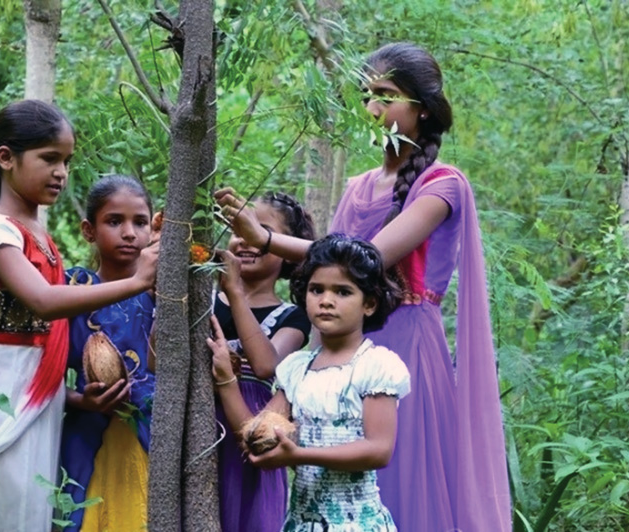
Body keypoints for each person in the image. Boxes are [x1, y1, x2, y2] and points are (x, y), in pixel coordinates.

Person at [214, 42, 511, 531]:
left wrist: (263, 236)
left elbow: (365, 262)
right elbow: (332, 269)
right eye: (367, 95)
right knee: (329, 476)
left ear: (423, 107)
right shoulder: (357, 186)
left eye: (387, 95)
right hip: (340, 345)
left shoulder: (443, 184)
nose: (373, 109)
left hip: (408, 344)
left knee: (397, 477)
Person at [0, 100, 158, 532]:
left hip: (38, 404)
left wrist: (77, 399)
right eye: (49, 158)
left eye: (66, 160)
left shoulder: (41, 236)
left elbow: (47, 342)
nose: (61, 171)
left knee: (32, 514)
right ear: (6, 158)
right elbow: (42, 301)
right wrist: (138, 282)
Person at [210, 234, 409, 531]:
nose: (326, 301)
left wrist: (300, 455)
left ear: (369, 303)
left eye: (342, 292)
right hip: (302, 524)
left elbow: (379, 450)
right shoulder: (297, 369)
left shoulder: (376, 366)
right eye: (317, 289)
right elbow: (257, 437)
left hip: (357, 524)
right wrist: (226, 381)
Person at [60, 175, 158, 531]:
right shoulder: (73, 289)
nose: (129, 233)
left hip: (153, 434)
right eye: (114, 221)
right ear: (89, 230)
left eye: (140, 222)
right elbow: (39, 374)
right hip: (87, 433)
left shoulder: (168, 292)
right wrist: (77, 400)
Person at [214, 191, 315, 532]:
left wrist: (235, 293)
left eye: (257, 229)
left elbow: (265, 365)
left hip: (251, 437)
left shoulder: (295, 316)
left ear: (287, 249)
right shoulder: (206, 300)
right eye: (238, 229)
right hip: (199, 425)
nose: (244, 240)